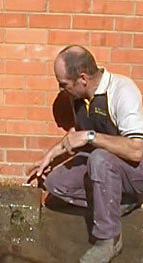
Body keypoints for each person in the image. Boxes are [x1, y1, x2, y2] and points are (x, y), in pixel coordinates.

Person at [27, 45, 143, 263]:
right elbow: (77, 134)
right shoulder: (79, 98)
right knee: (55, 183)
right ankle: (118, 202)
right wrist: (49, 156)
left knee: (99, 157)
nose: (61, 89)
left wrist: (90, 137)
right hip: (106, 166)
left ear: (82, 78)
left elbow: (137, 150)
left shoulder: (122, 90)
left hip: (136, 171)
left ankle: (109, 240)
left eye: (64, 85)